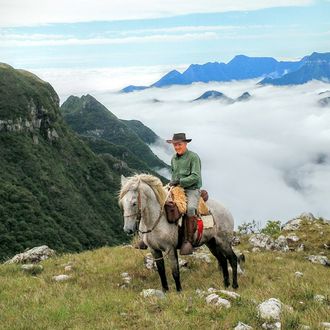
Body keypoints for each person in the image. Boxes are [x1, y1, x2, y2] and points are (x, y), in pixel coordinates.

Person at [166, 132, 202, 255]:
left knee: (190, 209)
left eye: (179, 144)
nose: (177, 147)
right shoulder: (173, 159)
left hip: (192, 189)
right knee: (161, 201)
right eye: (175, 145)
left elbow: (196, 177)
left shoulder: (193, 157)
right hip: (177, 188)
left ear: (185, 144)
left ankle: (188, 241)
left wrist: (180, 181)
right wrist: (172, 183)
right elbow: (174, 174)